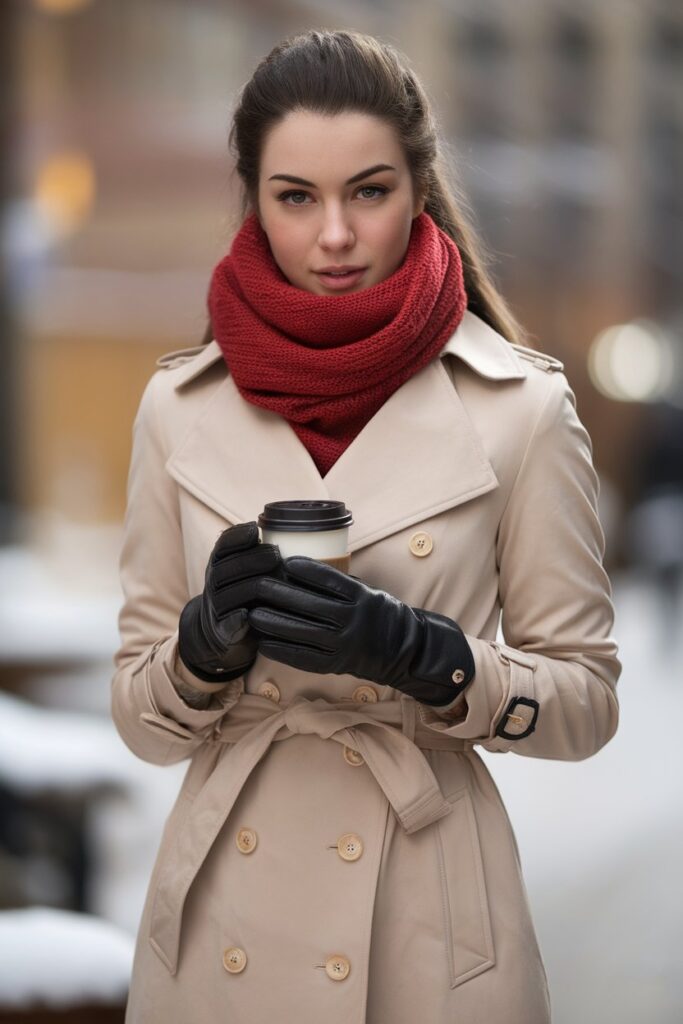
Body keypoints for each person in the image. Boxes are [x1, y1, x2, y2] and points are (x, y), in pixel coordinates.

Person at [111, 28, 621, 1024]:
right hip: (226, 917)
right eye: (295, 196)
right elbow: (138, 716)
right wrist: (197, 657)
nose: (333, 235)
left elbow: (586, 700)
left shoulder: (517, 409)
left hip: (424, 919)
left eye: (369, 191)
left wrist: (425, 655)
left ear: (418, 190)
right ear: (253, 200)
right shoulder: (178, 407)